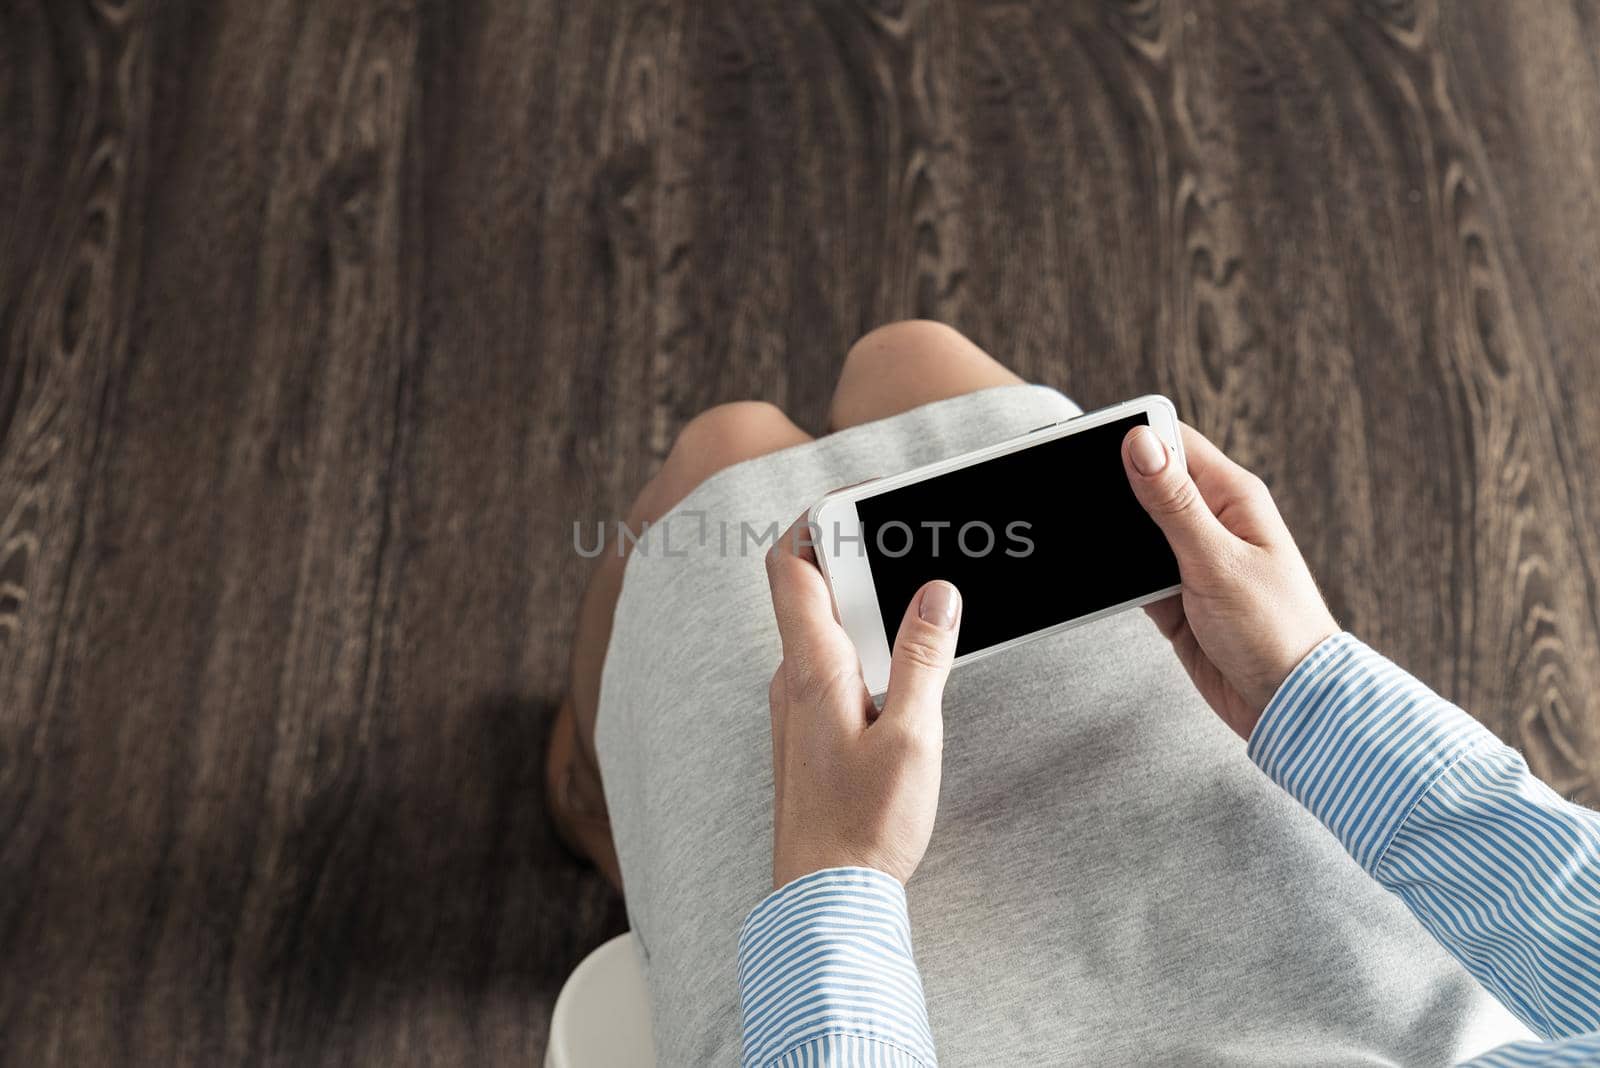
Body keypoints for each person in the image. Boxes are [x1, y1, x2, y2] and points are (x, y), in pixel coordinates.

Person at [548, 322, 1600, 1065]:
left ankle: (600, 802)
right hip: (1347, 968)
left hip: (891, 1014)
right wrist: (1306, 686)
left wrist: (835, 876)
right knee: (909, 361)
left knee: (721, 458)